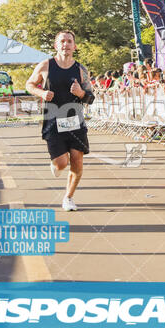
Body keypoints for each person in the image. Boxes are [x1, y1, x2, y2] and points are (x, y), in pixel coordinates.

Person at [26, 30, 95, 211]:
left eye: (69, 41)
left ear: (75, 46)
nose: (66, 44)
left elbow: (90, 97)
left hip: (75, 121)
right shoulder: (45, 65)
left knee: (77, 161)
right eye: (62, 41)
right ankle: (56, 163)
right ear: (56, 45)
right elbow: (29, 84)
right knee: (62, 163)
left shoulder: (81, 70)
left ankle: (68, 197)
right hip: (53, 120)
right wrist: (41, 93)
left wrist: (80, 93)